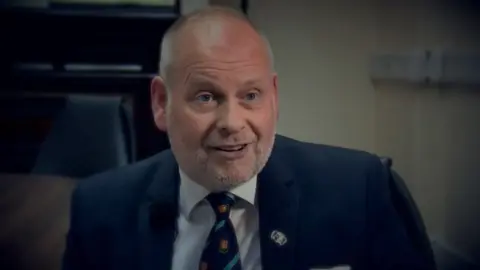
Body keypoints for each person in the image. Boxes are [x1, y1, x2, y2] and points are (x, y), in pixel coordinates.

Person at [62, 6, 432, 270]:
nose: (232, 122)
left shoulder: (359, 189)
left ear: (274, 96)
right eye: (205, 97)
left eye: (250, 96)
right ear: (161, 103)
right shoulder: (100, 211)